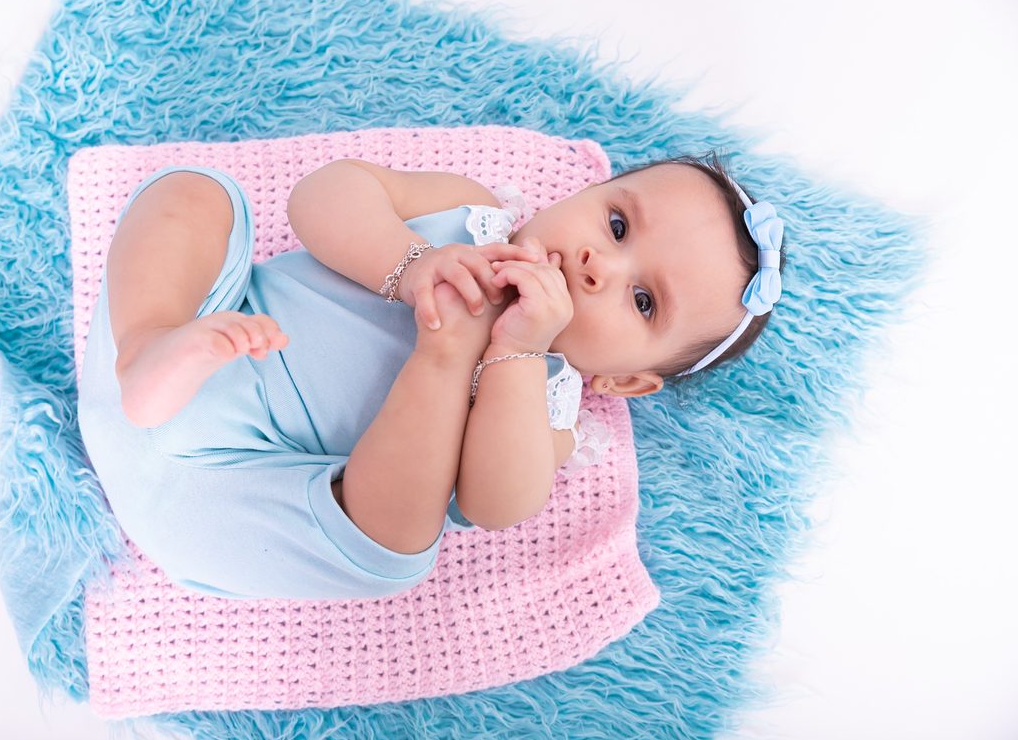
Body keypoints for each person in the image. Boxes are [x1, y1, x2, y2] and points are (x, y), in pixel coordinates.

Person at [77, 155, 785, 600]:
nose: (599, 264)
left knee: (398, 550)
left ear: (626, 382)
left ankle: (440, 360)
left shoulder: (548, 406)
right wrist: (408, 264)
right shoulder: (468, 213)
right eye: (618, 225)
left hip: (234, 500)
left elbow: (496, 503)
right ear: (586, 191)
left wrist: (511, 354)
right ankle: (148, 342)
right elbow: (324, 194)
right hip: (198, 334)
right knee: (194, 193)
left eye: (643, 301)